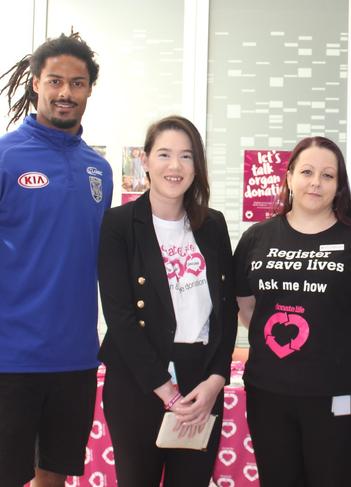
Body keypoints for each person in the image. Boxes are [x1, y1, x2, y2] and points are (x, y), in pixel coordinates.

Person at [234, 136, 351, 487]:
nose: (316, 182)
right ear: (289, 177)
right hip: (268, 392)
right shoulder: (257, 238)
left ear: (339, 186)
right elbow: (244, 303)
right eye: (306, 171)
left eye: (327, 175)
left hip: (341, 391)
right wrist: (267, 338)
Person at [97, 115, 237, 487]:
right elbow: (120, 316)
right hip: (139, 382)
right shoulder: (118, 225)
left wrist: (216, 380)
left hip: (201, 383)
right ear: (144, 160)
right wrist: (166, 391)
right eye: (164, 154)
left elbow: (226, 308)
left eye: (186, 156)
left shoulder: (214, 225)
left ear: (197, 166)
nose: (175, 166)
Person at [0, 32, 112, 487]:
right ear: (35, 84)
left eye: (78, 83)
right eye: (55, 81)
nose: (66, 93)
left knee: (56, 476)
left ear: (89, 89)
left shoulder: (98, 169)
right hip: (10, 357)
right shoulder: (6, 157)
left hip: (76, 356)